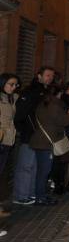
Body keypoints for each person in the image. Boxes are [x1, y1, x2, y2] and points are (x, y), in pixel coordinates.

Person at [13, 67, 55, 205]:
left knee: (35, 165)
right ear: (39, 76)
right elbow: (21, 114)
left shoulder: (45, 92)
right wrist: (25, 129)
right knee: (26, 165)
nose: (50, 78)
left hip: (40, 136)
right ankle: (20, 196)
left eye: (51, 76)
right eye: (47, 75)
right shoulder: (30, 92)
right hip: (30, 135)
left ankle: (30, 193)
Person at [29, 84, 69, 206]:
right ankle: (40, 197)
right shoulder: (54, 106)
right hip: (46, 143)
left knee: (42, 171)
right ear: (59, 94)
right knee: (44, 171)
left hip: (40, 141)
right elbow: (63, 121)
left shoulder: (43, 104)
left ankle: (40, 195)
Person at [0, 73, 20, 221]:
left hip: (8, 141)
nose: (13, 87)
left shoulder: (13, 98)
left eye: (15, 85)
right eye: (11, 84)